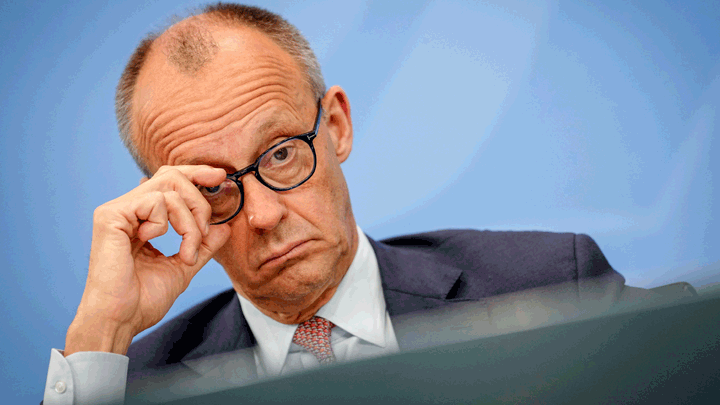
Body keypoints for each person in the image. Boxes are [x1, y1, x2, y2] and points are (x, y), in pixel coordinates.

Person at [42, 3, 657, 404]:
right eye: (212, 187)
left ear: (335, 126)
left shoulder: (549, 287)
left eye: (281, 153)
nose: (263, 215)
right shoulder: (138, 387)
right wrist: (101, 333)